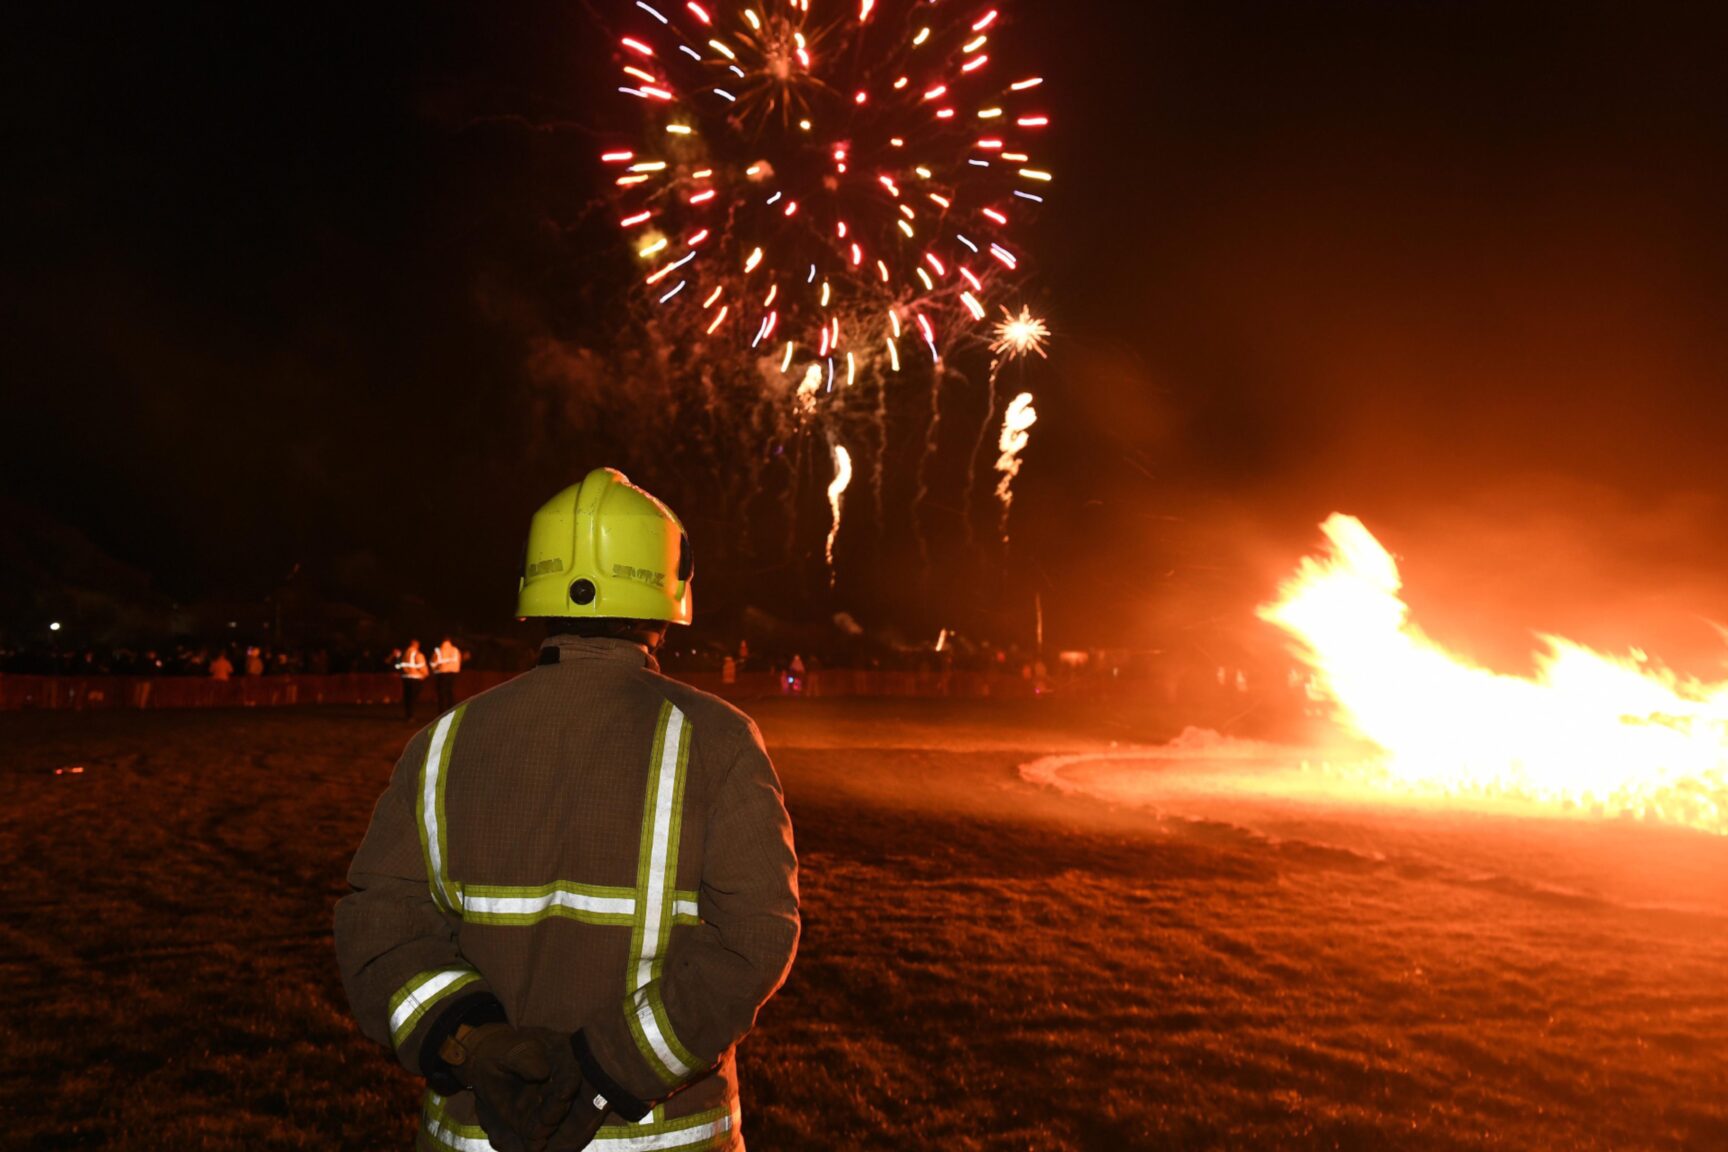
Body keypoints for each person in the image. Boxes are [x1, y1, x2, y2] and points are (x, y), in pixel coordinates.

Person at [335, 467, 799, 1152]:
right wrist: (605, 1070)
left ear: (538, 591)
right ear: (666, 597)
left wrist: (474, 1044)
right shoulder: (717, 740)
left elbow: (378, 935)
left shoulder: (442, 743)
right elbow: (752, 941)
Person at [397, 639, 429, 720]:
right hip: (415, 678)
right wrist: (425, 674)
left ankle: (408, 715)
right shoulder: (417, 654)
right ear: (416, 644)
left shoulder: (403, 653)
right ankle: (411, 715)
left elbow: (398, 665)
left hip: (405, 677)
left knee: (407, 697)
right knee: (413, 697)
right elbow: (421, 666)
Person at [431, 635, 462, 713]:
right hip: (452, 674)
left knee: (441, 694)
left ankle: (441, 711)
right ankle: (451, 710)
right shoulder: (455, 650)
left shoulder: (438, 650)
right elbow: (458, 661)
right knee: (450, 692)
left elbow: (433, 663)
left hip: (441, 674)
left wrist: (434, 670)